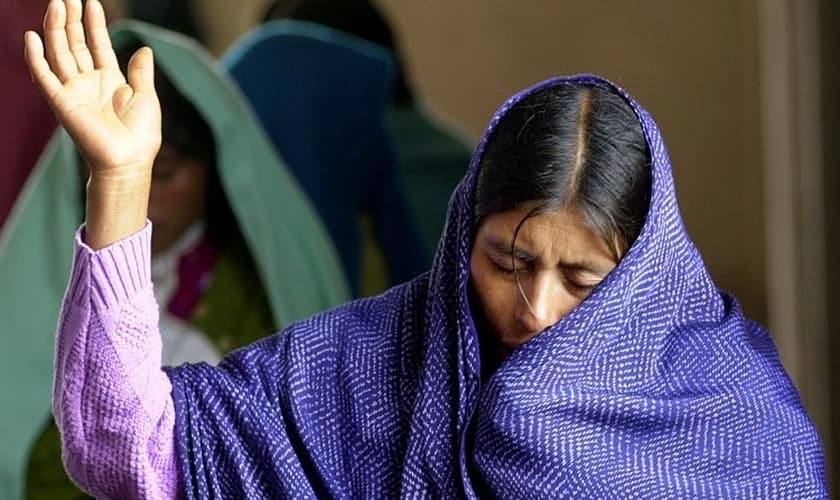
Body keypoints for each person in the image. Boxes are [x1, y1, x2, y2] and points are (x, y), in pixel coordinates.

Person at [24, 0, 826, 497]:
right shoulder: (361, 372)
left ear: (645, 282)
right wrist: (121, 181)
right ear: (460, 238)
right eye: (506, 261)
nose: (536, 309)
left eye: (583, 279)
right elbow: (123, 451)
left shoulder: (737, 427)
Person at [6, 14, 349, 500]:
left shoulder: (266, 302)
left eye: (162, 174)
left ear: (213, 168)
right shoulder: (36, 281)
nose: (136, 200)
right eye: (94, 174)